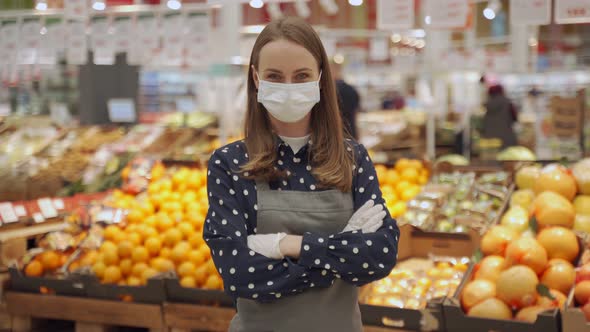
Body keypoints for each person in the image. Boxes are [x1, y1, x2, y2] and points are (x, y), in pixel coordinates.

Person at [203, 17, 399, 332]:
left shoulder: (352, 159)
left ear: (321, 78)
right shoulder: (231, 164)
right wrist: (340, 250)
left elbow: (380, 256)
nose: (289, 87)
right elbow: (239, 274)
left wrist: (285, 245)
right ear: (256, 78)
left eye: (302, 76)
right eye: (275, 76)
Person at [332, 61, 360, 139]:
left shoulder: (329, 92)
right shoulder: (352, 89)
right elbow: (356, 113)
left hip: (334, 134)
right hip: (351, 132)